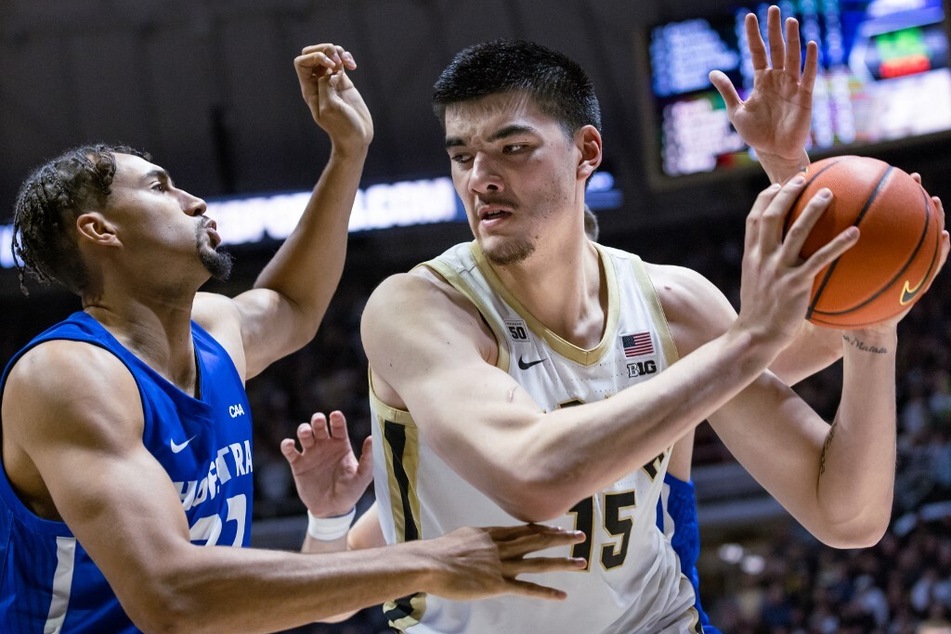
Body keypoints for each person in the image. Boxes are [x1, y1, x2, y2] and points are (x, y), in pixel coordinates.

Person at [347, 4, 948, 633]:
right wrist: (747, 342)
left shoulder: (672, 304)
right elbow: (535, 477)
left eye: (512, 148)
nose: (480, 179)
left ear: (586, 151)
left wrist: (874, 323)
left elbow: (847, 516)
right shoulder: (418, 308)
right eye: (462, 155)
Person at [0, 43, 587, 634]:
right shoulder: (68, 375)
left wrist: (348, 150)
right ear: (99, 231)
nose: (193, 200)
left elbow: (294, 304)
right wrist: (427, 562)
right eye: (159, 188)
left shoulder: (211, 333)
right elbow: (171, 596)